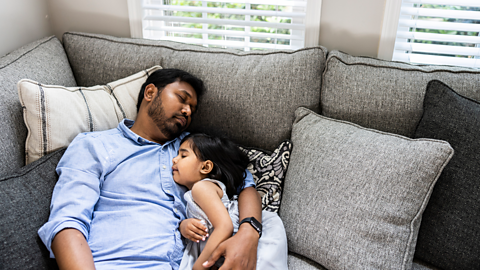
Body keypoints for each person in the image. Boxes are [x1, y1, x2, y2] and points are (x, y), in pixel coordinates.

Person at [38, 69, 263, 270]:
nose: (187, 112)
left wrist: (248, 233)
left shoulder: (194, 148)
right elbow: (67, 223)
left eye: (192, 110)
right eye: (182, 99)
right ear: (150, 93)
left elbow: (244, 181)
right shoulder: (95, 145)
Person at [172, 133, 288, 270]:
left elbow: (225, 227)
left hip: (243, 235)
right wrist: (185, 226)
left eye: (183, 156)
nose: (174, 159)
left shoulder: (201, 188)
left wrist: (198, 267)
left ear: (205, 167)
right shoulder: (198, 192)